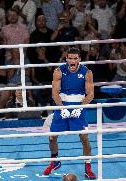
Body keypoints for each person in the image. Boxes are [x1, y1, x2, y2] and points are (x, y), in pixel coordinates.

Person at [43, 47, 96, 179]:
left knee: (84, 138)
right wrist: (62, 108)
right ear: (66, 59)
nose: (72, 61)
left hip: (79, 105)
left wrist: (80, 107)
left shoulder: (87, 72)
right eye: (70, 58)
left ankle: (87, 167)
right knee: (52, 137)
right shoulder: (58, 71)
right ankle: (55, 162)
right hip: (62, 105)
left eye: (75, 58)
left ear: (79, 59)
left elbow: (91, 94)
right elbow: (54, 93)